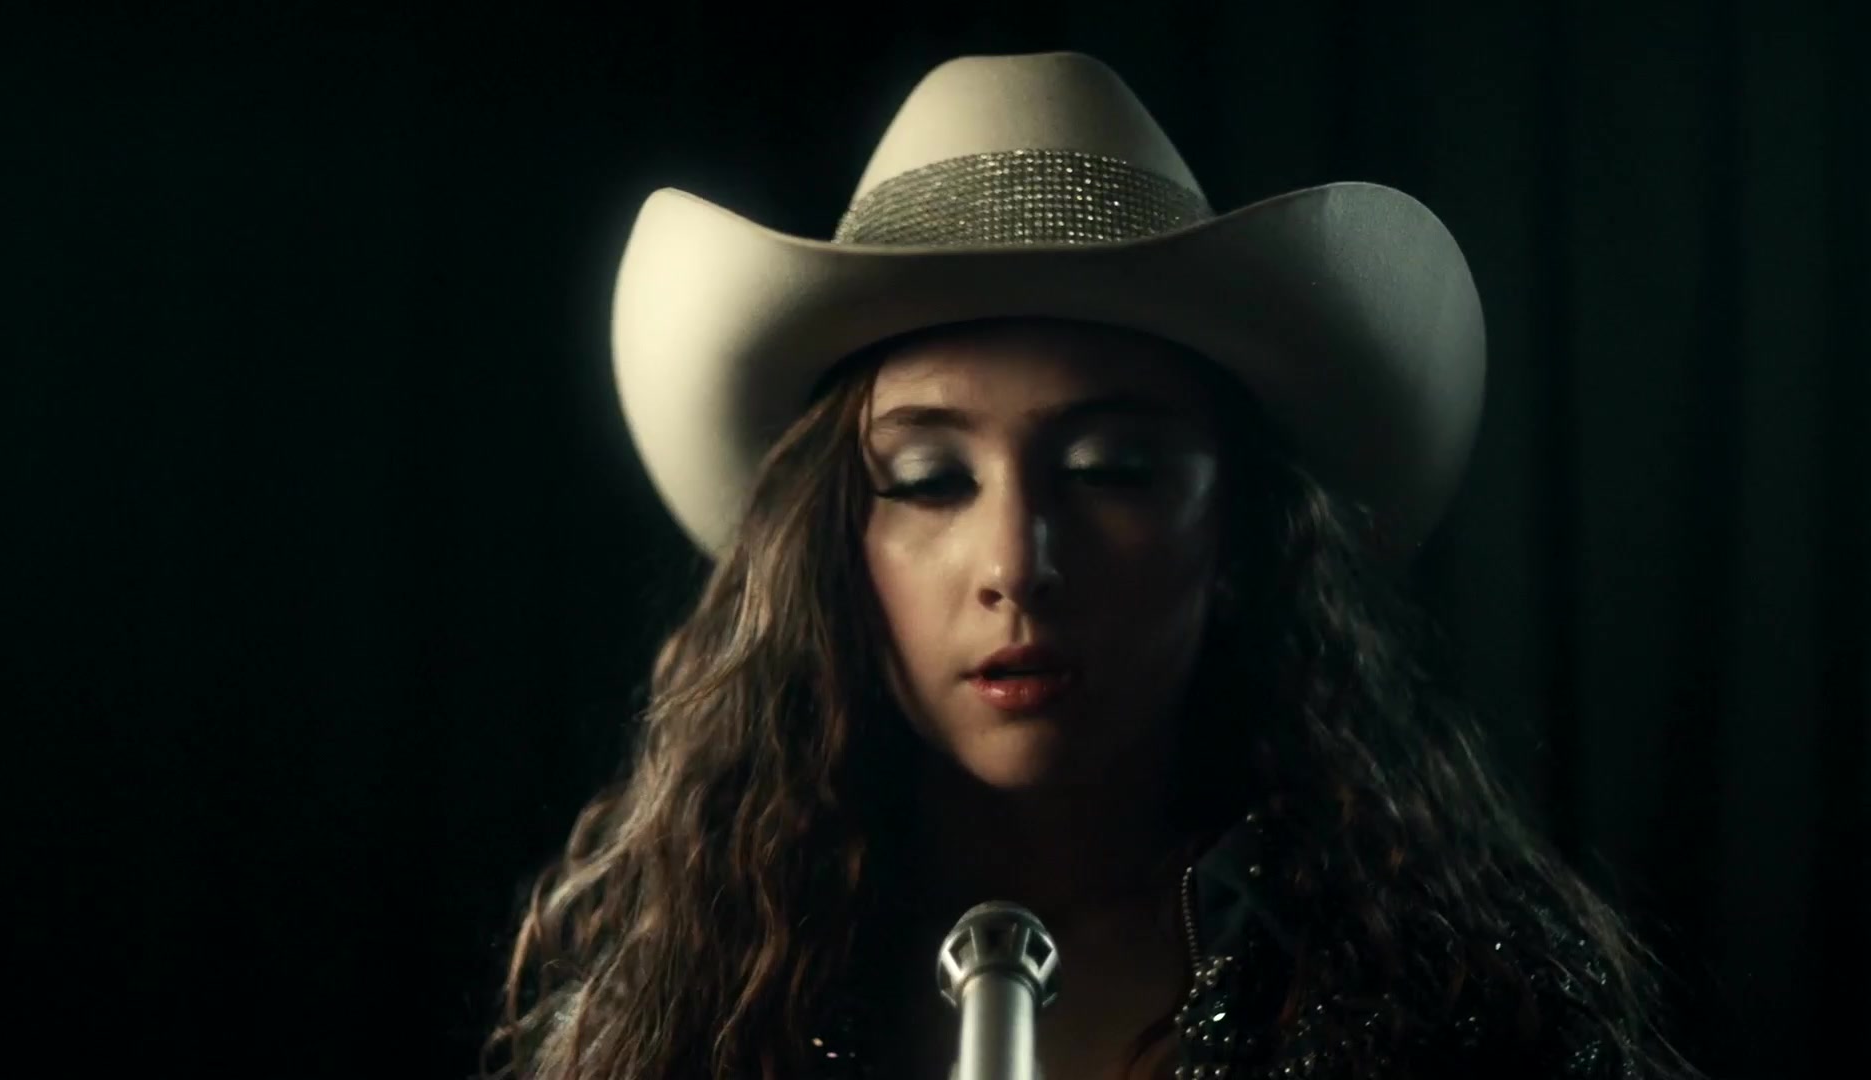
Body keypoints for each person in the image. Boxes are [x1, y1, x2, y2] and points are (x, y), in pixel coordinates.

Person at [483, 52, 1703, 1080]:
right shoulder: (699, 1011)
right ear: (831, 552)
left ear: (1240, 533)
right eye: (929, 479)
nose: (1017, 563)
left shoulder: (1449, 1009)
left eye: (1113, 468)